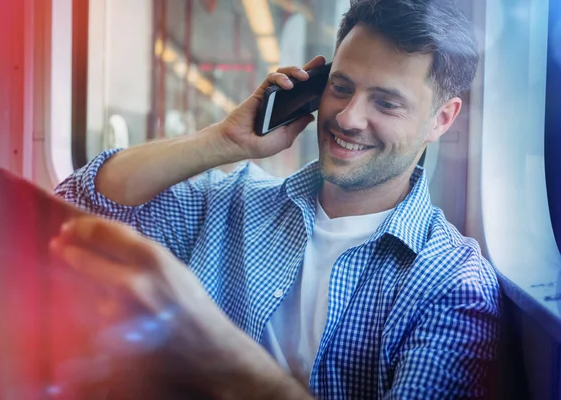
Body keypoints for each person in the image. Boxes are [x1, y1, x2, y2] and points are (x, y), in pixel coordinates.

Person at [54, 0, 501, 398]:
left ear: (442, 118)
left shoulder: (452, 283)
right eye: (341, 87)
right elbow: (79, 202)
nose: (348, 117)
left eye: (386, 103)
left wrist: (219, 355)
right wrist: (223, 141)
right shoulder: (234, 203)